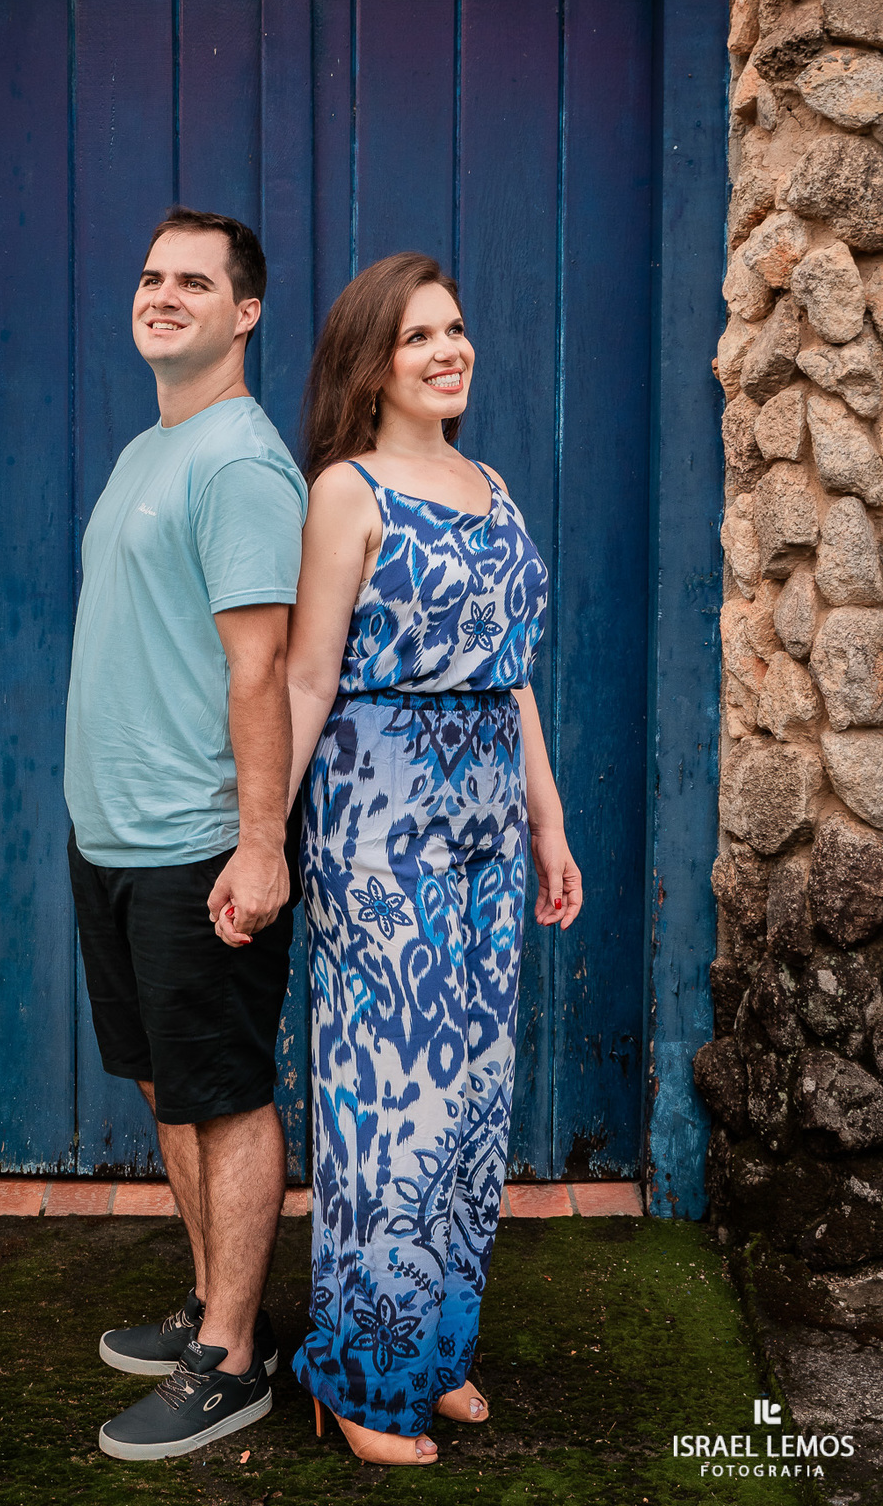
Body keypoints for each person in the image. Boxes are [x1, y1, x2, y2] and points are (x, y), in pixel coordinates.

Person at [285, 252, 583, 1466]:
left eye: (456, 329)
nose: (449, 350)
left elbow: (511, 680)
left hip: (487, 835)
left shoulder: (491, 483)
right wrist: (262, 841)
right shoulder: (346, 493)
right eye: (419, 337)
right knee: (386, 1111)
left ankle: (433, 1351)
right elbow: (307, 676)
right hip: (375, 829)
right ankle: (357, 1376)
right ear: (373, 361)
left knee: (468, 1105)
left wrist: (547, 822)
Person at [63, 207, 307, 1462]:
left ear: (244, 311)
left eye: (194, 282)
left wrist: (259, 844)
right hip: (110, 839)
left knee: (224, 1094)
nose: (162, 295)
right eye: (152, 275)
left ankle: (232, 1362)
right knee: (167, 1081)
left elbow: (258, 668)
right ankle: (225, 1302)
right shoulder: (145, 452)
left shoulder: (241, 465)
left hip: (195, 842)